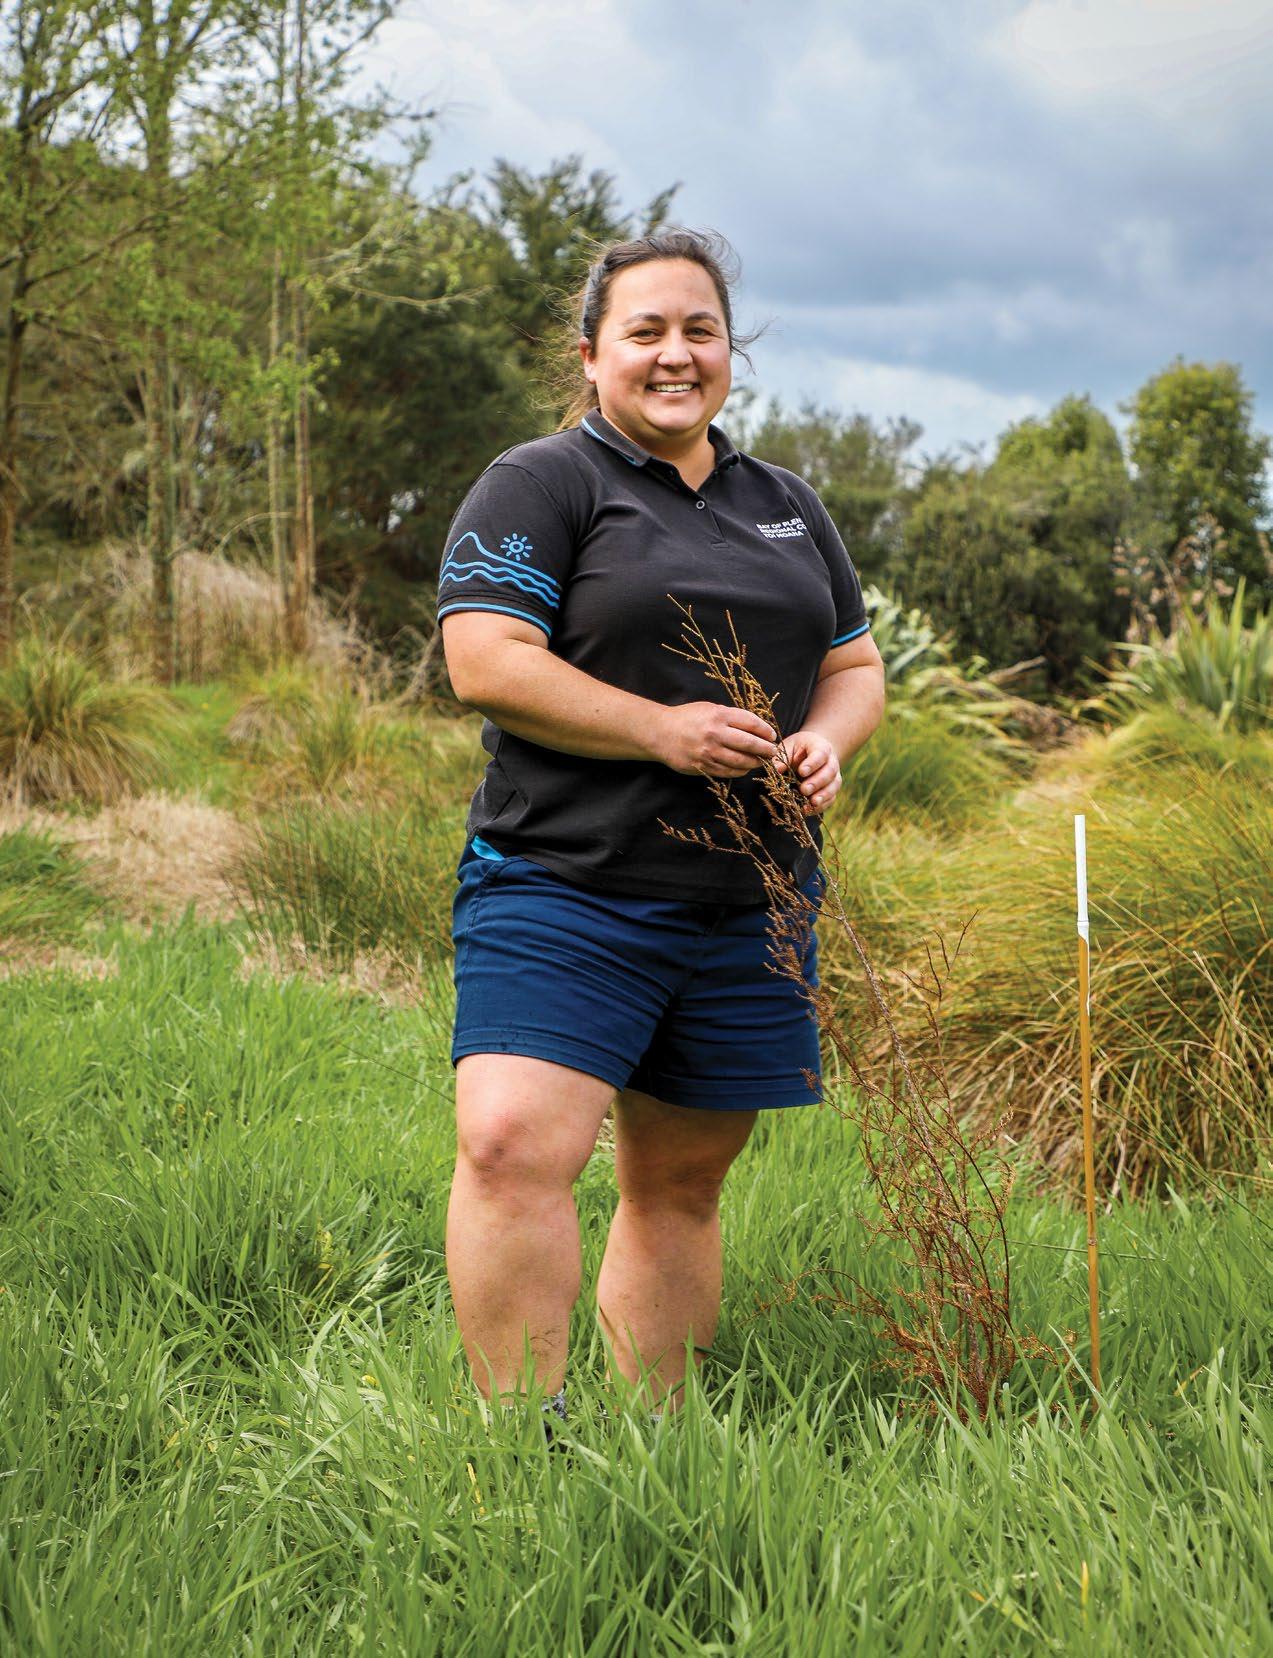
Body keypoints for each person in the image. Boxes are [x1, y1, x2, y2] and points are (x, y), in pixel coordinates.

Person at [438, 228, 885, 1422]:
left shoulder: (785, 504)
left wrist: (827, 738)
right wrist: (659, 730)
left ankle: (654, 1438)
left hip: (749, 898)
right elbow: (485, 660)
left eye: (700, 329)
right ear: (592, 355)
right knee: (511, 1145)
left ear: (731, 351)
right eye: (644, 331)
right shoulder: (542, 483)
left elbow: (854, 667)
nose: (675, 353)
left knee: (681, 1178)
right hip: (563, 878)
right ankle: (518, 1446)